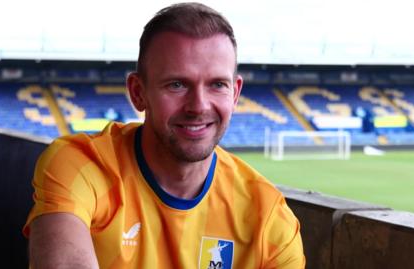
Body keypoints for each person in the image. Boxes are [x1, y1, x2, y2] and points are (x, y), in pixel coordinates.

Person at [23, 2, 305, 268]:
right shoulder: (82, 165)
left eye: (217, 84)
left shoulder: (269, 217)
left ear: (235, 93)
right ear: (138, 92)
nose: (199, 106)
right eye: (177, 84)